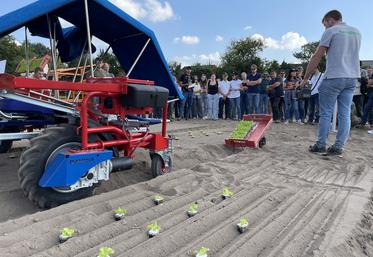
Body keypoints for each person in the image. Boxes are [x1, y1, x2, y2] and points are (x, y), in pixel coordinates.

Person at [301, 10, 361, 155]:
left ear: (330, 20)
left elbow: (317, 57)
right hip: (352, 77)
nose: (325, 28)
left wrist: (305, 78)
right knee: (345, 113)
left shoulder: (332, 31)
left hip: (334, 76)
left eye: (325, 25)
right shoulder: (357, 32)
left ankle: (321, 144)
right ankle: (338, 147)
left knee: (326, 113)